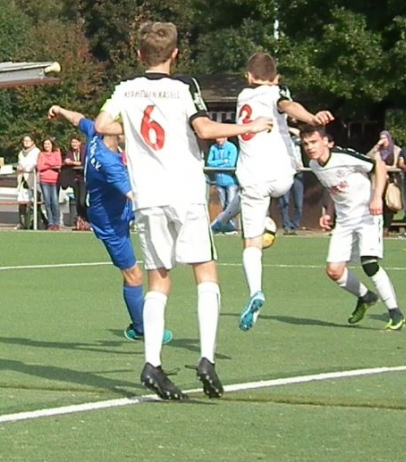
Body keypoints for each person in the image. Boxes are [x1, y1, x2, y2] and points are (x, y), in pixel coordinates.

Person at [95, 21, 273, 400]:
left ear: (139, 54)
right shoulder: (183, 87)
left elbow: (101, 123)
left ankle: (152, 364)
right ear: (175, 54)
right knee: (205, 274)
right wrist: (250, 126)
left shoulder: (125, 89)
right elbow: (205, 129)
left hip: (148, 197)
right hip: (185, 193)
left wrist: (134, 133)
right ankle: (207, 359)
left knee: (158, 280)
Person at [47, 104, 175, 344]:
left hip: (116, 211)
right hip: (110, 222)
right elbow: (134, 196)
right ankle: (141, 329)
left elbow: (78, 119)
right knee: (134, 275)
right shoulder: (110, 163)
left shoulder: (96, 134)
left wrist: (60, 110)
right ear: (116, 130)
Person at [234, 52, 334, 333]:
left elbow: (284, 103)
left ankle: (256, 291)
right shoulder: (275, 92)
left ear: (248, 77)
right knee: (265, 198)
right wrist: (312, 117)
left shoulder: (243, 96)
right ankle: (259, 221)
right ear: (276, 78)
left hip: (252, 176)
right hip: (282, 175)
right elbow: (288, 105)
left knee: (251, 243)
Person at [298, 124, 406, 330]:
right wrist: (329, 212)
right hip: (344, 220)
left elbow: (379, 166)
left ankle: (395, 312)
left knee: (369, 263)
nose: (310, 147)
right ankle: (366, 297)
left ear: (325, 141)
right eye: (306, 144)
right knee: (334, 271)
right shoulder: (314, 165)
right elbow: (332, 188)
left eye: (313, 142)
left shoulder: (344, 156)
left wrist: (377, 197)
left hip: (367, 214)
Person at [367, 130, 400, 235]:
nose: (383, 140)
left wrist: (385, 168)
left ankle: (386, 227)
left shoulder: (396, 150)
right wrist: (376, 147)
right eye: (381, 138)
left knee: (389, 204)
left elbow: (397, 165)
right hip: (377, 181)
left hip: (391, 181)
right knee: (377, 202)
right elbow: (367, 158)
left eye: (385, 138)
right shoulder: (377, 150)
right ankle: (377, 227)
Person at [207, 137, 239, 234]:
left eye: (220, 138)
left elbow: (231, 164)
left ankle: (232, 227)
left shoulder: (232, 147)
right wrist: (223, 161)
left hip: (231, 182)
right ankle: (225, 226)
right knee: (223, 205)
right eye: (217, 138)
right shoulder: (213, 148)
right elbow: (210, 162)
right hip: (219, 181)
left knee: (231, 205)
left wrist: (218, 164)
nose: (218, 140)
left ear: (226, 137)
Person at [279, 127, 306, 235]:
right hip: (285, 172)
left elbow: (301, 135)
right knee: (284, 202)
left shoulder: (295, 140)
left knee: (299, 203)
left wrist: (287, 127)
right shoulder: (279, 141)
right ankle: (286, 226)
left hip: (298, 173)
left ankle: (294, 225)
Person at [60, 135, 89, 230]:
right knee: (77, 202)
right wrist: (67, 162)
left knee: (82, 201)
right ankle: (80, 221)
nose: (74, 144)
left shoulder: (84, 150)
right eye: (72, 142)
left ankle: (87, 218)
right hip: (74, 179)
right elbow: (67, 161)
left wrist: (72, 162)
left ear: (80, 143)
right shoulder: (70, 151)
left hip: (83, 179)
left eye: (76, 142)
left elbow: (83, 162)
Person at [36, 138, 63, 231]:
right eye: (45, 144)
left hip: (55, 180)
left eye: (48, 144)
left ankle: (56, 222)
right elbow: (40, 167)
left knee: (55, 202)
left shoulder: (56, 152)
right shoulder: (41, 154)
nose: (47, 146)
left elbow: (58, 164)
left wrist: (47, 164)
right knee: (47, 202)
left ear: (52, 144)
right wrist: (51, 165)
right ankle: (50, 223)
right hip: (44, 180)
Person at [15, 136, 41, 229]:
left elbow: (36, 164)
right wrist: (19, 167)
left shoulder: (37, 152)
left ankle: (34, 223)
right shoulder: (21, 153)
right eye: (24, 140)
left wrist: (28, 168)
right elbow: (20, 163)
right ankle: (22, 223)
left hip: (32, 179)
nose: (26, 142)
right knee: (22, 202)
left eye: (28, 140)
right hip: (22, 179)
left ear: (32, 141)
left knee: (33, 202)